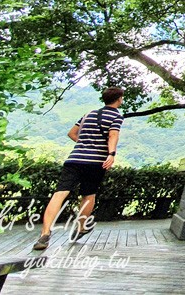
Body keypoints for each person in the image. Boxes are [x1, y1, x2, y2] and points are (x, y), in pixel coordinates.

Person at [33, 87, 124, 251]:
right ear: (119, 99)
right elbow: (113, 135)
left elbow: (72, 133)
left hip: (74, 159)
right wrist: (110, 153)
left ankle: (45, 234)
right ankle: (81, 227)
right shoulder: (116, 115)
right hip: (95, 162)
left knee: (59, 194)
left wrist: (84, 145)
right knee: (89, 194)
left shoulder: (88, 114)